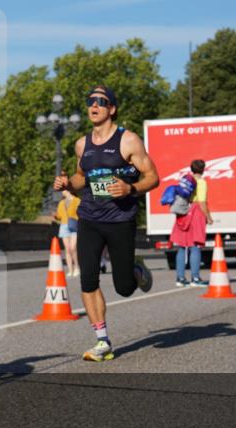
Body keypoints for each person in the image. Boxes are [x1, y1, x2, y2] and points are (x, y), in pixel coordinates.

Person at [53, 85, 160, 362]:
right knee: (87, 280)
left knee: (124, 287)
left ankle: (135, 269)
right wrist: (67, 184)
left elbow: (153, 177)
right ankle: (102, 340)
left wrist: (130, 189)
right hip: (89, 218)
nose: (93, 105)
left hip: (120, 220)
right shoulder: (82, 144)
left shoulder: (128, 141)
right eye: (90, 101)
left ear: (111, 108)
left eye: (100, 101)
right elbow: (80, 178)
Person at [171, 159, 213, 287]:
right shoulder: (202, 182)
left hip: (183, 212)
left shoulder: (186, 181)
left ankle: (180, 278)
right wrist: (209, 217)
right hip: (196, 213)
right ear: (203, 169)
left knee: (182, 246)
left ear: (192, 169)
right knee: (195, 246)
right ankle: (195, 278)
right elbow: (202, 203)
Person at [54, 188, 80, 277]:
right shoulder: (61, 202)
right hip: (64, 226)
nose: (62, 192)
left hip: (74, 225)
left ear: (68, 190)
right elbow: (59, 215)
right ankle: (70, 269)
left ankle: (76, 267)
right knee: (67, 249)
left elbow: (81, 213)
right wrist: (55, 216)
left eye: (63, 190)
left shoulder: (77, 200)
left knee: (73, 248)